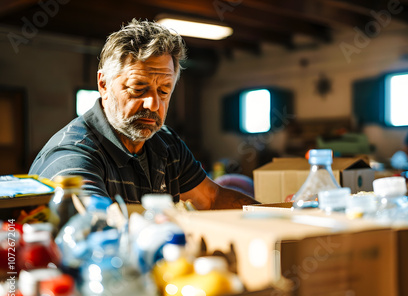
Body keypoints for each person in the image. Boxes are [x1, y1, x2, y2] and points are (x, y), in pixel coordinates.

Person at [29, 19, 259, 209]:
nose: (153, 103)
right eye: (138, 88)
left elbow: (212, 199)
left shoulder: (167, 144)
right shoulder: (72, 156)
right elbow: (97, 228)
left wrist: (275, 218)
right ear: (104, 85)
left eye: (164, 90)